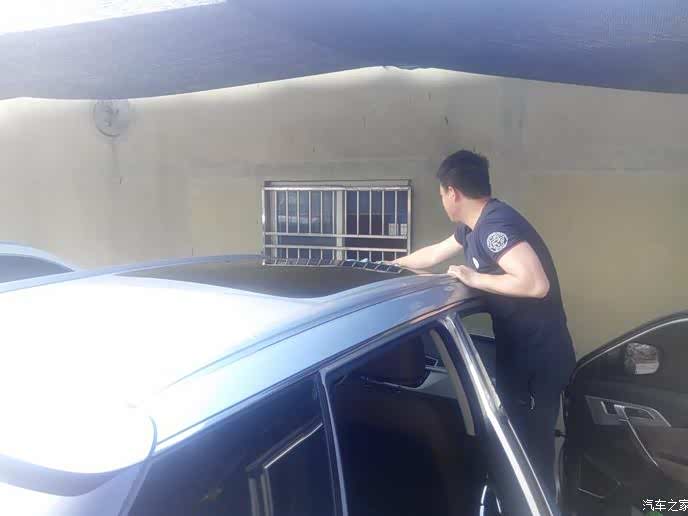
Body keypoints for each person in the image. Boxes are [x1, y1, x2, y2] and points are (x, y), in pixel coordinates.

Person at [393, 150, 576, 508]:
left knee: (530, 450)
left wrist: (475, 278)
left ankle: (536, 506)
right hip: (518, 354)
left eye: (441, 194)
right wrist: (388, 265)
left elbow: (535, 283)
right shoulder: (471, 227)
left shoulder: (495, 226)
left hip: (537, 360)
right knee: (516, 442)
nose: (443, 200)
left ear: (452, 192)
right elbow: (433, 254)